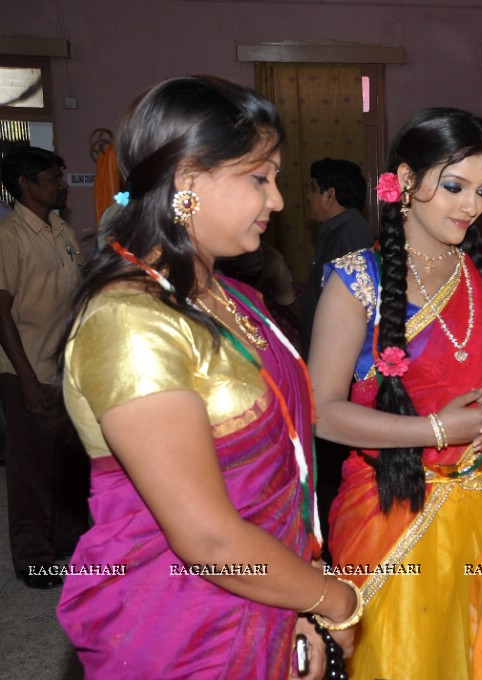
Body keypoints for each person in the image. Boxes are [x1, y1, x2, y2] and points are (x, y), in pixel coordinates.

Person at [56, 75, 360, 679]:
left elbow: (288, 458)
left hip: (269, 589)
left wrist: (300, 592)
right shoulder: (129, 321)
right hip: (186, 623)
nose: (277, 200)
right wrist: (336, 601)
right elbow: (209, 541)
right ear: (188, 182)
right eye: (259, 177)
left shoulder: (235, 297)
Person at [308, 107, 482, 679]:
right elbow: (319, 412)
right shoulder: (357, 279)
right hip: (394, 507)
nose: (472, 206)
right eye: (456, 187)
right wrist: (436, 431)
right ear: (406, 181)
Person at [0, 146, 89, 590]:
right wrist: (29, 382)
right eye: (53, 178)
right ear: (26, 184)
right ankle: (33, 557)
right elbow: (0, 312)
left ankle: (66, 545)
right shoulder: (10, 236)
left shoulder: (62, 231)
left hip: (64, 368)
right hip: (26, 370)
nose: (61, 185)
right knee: (30, 468)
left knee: (69, 463)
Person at [299, 157, 375, 355]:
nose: (308, 196)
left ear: (330, 195)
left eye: (313, 188)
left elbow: (354, 305)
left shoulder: (351, 233)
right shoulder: (336, 230)